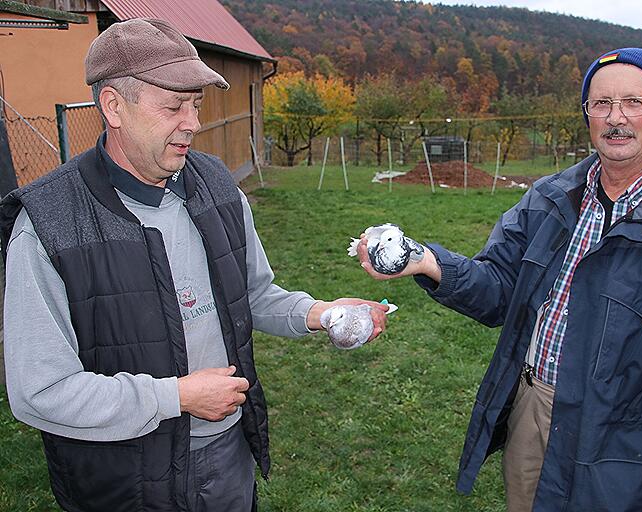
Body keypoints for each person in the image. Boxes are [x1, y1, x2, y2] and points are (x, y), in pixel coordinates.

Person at [0, 18, 387, 512]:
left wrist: (321, 314)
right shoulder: (49, 225)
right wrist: (175, 397)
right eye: (173, 106)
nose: (193, 123)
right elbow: (40, 393)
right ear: (113, 107)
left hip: (228, 455)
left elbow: (252, 294)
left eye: (196, 105)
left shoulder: (215, 185)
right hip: (123, 481)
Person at [357, 48, 642, 512]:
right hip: (534, 408)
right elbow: (499, 291)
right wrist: (427, 261)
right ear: (587, 113)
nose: (615, 118)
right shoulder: (549, 199)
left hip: (627, 442)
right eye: (601, 103)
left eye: (633, 102)